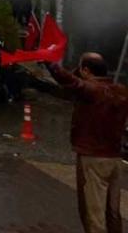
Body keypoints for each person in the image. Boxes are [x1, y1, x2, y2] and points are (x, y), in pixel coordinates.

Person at [46, 54, 128, 233]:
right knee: (112, 212)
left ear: (86, 71)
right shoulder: (120, 90)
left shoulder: (93, 90)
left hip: (92, 159)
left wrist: (50, 63)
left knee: (93, 213)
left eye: (81, 68)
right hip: (114, 159)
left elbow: (72, 82)